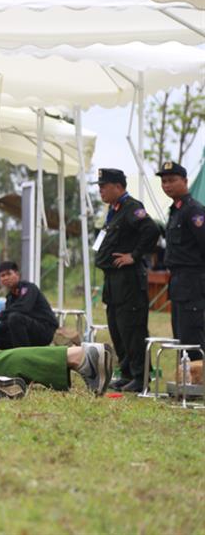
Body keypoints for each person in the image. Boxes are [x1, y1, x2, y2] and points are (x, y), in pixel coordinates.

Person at [94, 168, 161, 392]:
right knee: (117, 328)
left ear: (118, 187)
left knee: (132, 329)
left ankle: (141, 378)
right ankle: (126, 373)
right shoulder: (115, 210)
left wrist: (133, 255)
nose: (100, 190)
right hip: (113, 282)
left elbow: (151, 230)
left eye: (104, 186)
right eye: (99, 186)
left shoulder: (132, 207)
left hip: (129, 281)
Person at [157, 161, 205, 361]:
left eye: (172, 180)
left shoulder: (193, 210)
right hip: (177, 280)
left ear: (185, 181)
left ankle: (197, 383)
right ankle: (186, 380)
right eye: (164, 181)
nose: (167, 185)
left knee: (192, 334)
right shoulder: (175, 211)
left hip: (193, 280)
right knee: (180, 333)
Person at [0, 261, 57, 349]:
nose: (6, 278)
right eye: (2, 276)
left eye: (9, 274)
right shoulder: (10, 298)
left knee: (15, 317)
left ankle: (23, 358)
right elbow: (7, 323)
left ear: (17, 274)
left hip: (44, 330)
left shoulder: (29, 288)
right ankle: (20, 354)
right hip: (26, 332)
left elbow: (24, 307)